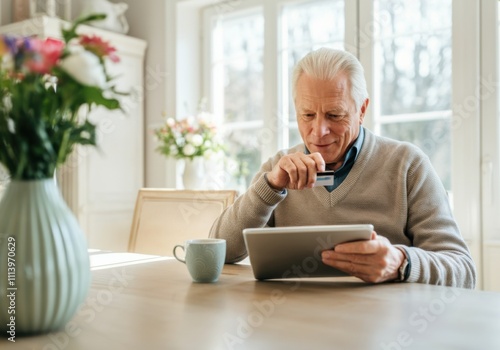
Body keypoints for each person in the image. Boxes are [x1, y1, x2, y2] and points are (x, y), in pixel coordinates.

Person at [209, 47, 476, 288]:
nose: (319, 131)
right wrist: (269, 187)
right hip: (293, 325)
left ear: (362, 109)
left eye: (335, 115)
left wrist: (401, 262)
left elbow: (463, 271)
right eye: (307, 115)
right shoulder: (278, 168)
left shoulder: (407, 165)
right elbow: (219, 252)